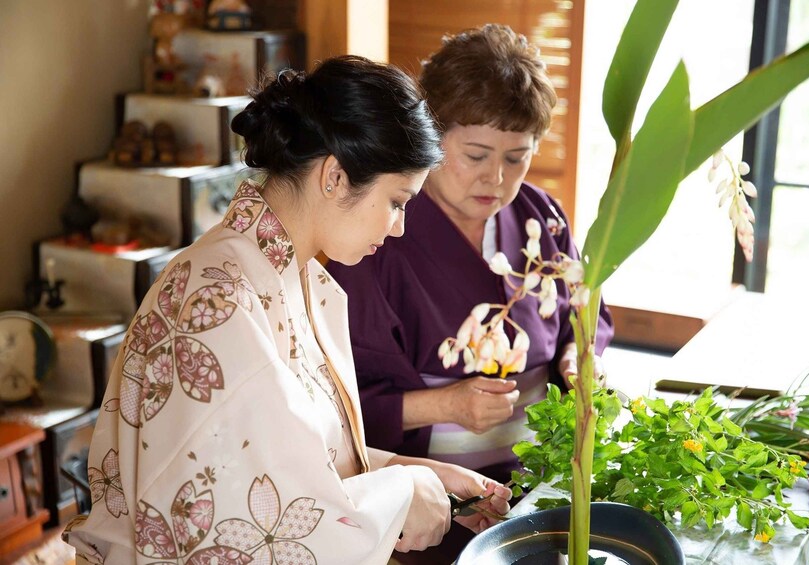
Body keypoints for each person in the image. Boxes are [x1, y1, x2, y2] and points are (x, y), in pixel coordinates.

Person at [63, 56, 512, 565]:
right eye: (396, 201)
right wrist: (403, 490)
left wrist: (418, 473)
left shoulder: (301, 280)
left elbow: (285, 463)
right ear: (335, 177)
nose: (399, 227)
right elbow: (240, 528)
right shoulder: (215, 303)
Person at [326, 25, 614, 488]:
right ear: (432, 137)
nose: (496, 179)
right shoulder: (377, 231)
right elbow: (334, 400)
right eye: (476, 155)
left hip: (544, 477)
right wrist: (447, 405)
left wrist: (576, 357)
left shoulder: (541, 215)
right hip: (431, 489)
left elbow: (586, 314)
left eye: (517, 158)